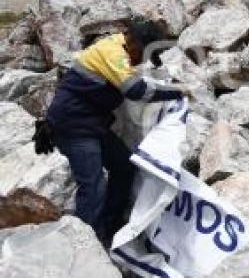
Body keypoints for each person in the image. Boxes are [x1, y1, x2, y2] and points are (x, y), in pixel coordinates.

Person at [46, 18, 186, 242]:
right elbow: (135, 90)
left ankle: (111, 224)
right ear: (131, 40)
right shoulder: (112, 52)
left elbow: (136, 78)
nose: (142, 60)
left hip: (92, 123)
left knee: (124, 166)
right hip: (72, 125)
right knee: (93, 187)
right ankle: (87, 243)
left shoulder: (124, 50)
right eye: (142, 52)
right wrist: (176, 91)